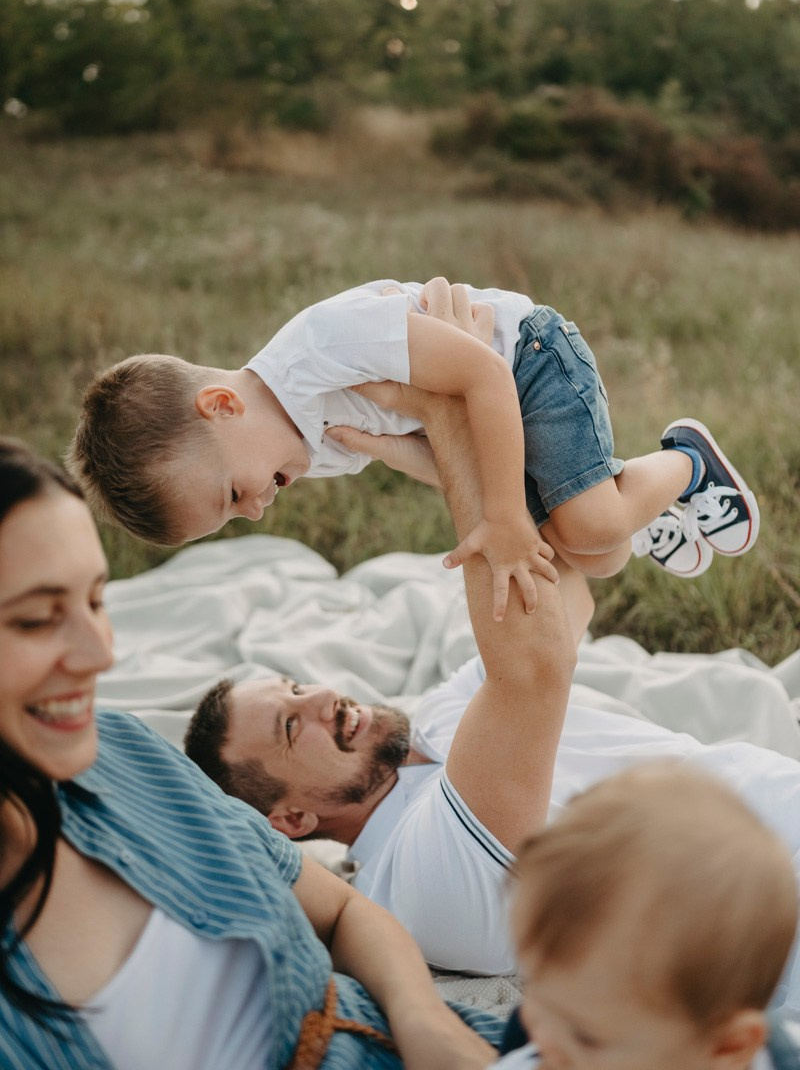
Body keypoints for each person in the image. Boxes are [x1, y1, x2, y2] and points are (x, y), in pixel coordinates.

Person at [183, 289, 800, 1018]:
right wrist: (450, 411)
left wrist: (451, 450)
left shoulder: (442, 714)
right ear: (288, 821)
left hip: (775, 801)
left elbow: (564, 601)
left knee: (588, 541)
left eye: (293, 687)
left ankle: (678, 474)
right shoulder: (414, 884)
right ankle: (684, 468)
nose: (317, 700)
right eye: (292, 727)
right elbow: (533, 667)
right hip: (777, 923)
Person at [0, 435, 509, 1070]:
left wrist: (422, 1018)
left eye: (97, 600)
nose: (100, 653)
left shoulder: (124, 753)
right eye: (34, 620)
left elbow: (340, 912)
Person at [66, 277, 758, 621]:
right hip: (482, 420)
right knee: (597, 557)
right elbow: (428, 449)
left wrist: (509, 520)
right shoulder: (309, 446)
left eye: (232, 494)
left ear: (222, 406)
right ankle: (652, 503)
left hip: (527, 361)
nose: (255, 511)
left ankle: (690, 461)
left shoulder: (321, 348)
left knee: (590, 528)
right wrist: (495, 512)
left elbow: (481, 374)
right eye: (234, 517)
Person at [493, 763, 800, 1070]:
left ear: (727, 1049)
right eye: (532, 987)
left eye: (586, 1038)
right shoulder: (546, 1039)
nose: (543, 1040)